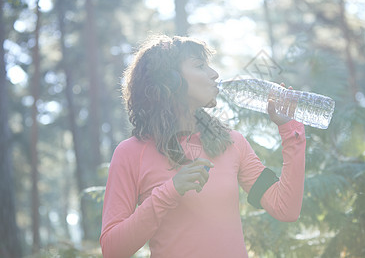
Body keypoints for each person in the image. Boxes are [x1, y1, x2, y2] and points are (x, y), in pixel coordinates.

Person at [99, 35, 306, 258]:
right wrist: (170, 192)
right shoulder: (131, 153)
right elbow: (112, 249)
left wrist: (289, 130)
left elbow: (285, 208)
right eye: (199, 66)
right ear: (170, 80)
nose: (214, 74)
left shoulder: (232, 142)